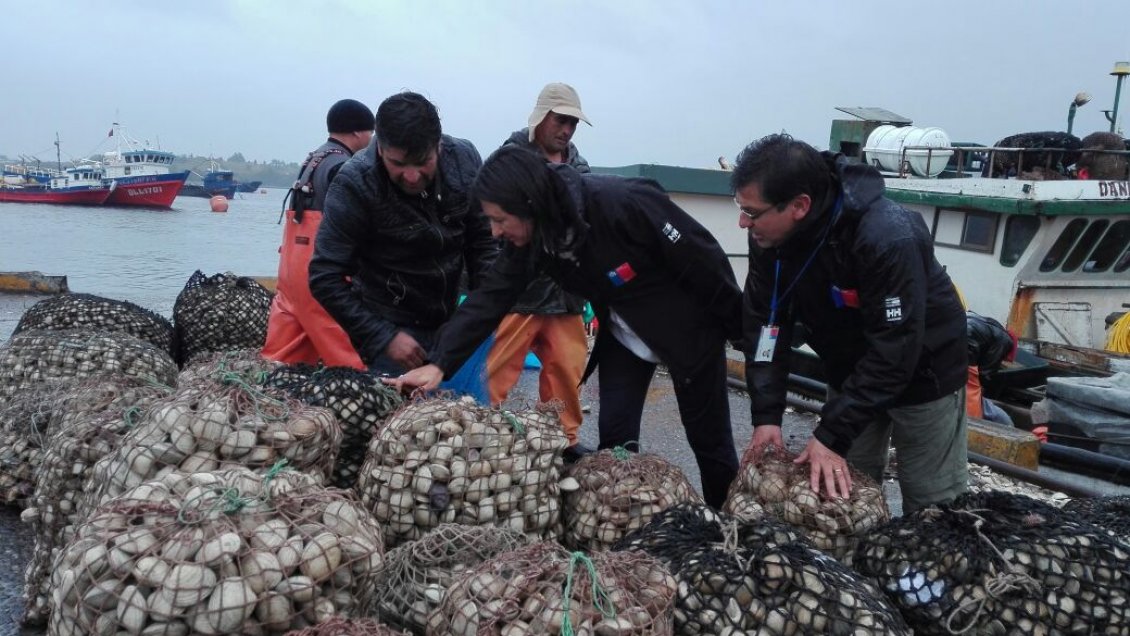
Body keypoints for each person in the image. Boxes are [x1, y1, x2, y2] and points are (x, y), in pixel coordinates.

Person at [388, 144, 743, 508]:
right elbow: (489, 298)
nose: (494, 232)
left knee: (709, 442)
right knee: (616, 440)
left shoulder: (621, 202)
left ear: (528, 204)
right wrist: (439, 362)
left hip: (687, 332)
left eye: (499, 220)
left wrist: (740, 331)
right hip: (623, 331)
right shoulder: (531, 236)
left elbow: (704, 257)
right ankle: (622, 520)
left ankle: (728, 525)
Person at [734, 134, 968, 514]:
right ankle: (859, 565)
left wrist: (830, 434)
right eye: (741, 208)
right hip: (848, 368)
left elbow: (897, 348)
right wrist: (766, 417)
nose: (744, 222)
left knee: (933, 502)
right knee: (840, 494)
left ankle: (932, 564)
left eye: (752, 212)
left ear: (799, 206)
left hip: (925, 369)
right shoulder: (768, 239)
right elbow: (765, 324)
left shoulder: (886, 236)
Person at [308, 92, 498, 375]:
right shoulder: (354, 183)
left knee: (465, 413)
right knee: (398, 418)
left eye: (423, 161)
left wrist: (475, 317)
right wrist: (381, 336)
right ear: (380, 148)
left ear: (439, 147)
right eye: (398, 164)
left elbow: (483, 244)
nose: (411, 175)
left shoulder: (465, 160)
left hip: (453, 320)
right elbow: (325, 277)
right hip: (391, 328)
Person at [488, 82, 593, 459]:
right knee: (492, 372)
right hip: (520, 294)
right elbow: (490, 227)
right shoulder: (509, 159)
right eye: (560, 120)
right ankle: (481, 433)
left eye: (572, 124)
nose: (566, 130)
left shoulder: (580, 167)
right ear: (541, 117)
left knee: (566, 373)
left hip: (566, 296)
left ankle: (561, 441)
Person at [262, 98, 374, 369]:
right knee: (350, 352)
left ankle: (267, 399)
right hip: (321, 271)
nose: (372, 137)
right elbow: (354, 221)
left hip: (291, 272)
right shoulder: (344, 167)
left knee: (282, 359)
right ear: (358, 132)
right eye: (371, 131)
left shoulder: (312, 159)